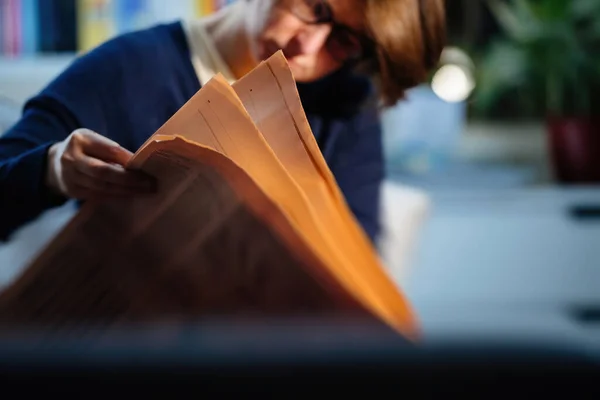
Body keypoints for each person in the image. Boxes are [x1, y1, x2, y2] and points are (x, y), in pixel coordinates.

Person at [0, 0, 446, 244]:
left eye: (345, 40)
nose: (307, 45)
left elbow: (357, 247)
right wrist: (52, 168)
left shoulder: (346, 103)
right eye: (316, 7)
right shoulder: (127, 69)